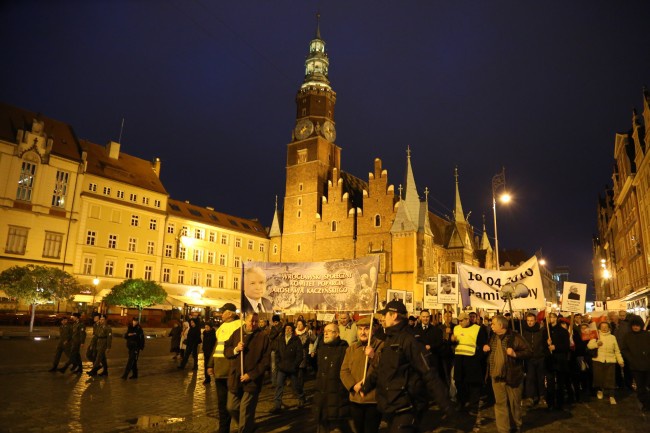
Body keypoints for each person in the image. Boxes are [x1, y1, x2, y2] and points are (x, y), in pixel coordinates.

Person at [362, 300, 457, 432]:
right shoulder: (390, 338)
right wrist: (367, 385)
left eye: (386, 314)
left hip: (406, 406)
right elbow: (383, 367)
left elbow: (428, 372)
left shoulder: (409, 340)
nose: (383, 318)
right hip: (391, 405)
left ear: (394, 316)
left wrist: (446, 405)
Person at [483, 315, 532, 433]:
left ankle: (516, 426)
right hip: (496, 376)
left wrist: (515, 354)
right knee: (500, 404)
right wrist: (486, 348)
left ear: (501, 325)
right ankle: (503, 429)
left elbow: (528, 351)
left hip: (512, 376)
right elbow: (492, 353)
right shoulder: (493, 337)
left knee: (514, 404)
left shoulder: (515, 337)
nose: (491, 326)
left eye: (493, 324)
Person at [224, 312, 271, 433]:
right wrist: (235, 349)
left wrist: (251, 375)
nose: (254, 324)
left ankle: (245, 428)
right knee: (231, 407)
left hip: (252, 381)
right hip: (236, 377)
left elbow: (265, 361)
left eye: (256, 321)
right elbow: (226, 351)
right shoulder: (237, 333)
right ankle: (247, 425)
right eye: (251, 321)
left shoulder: (262, 336)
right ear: (245, 320)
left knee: (245, 410)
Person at [340, 316, 384, 433]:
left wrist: (373, 356)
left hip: (373, 399)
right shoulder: (352, 349)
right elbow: (344, 371)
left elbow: (385, 368)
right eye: (360, 329)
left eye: (366, 328)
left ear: (373, 330)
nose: (363, 332)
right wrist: (353, 386)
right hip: (355, 398)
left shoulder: (381, 346)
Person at [207, 303, 242, 433]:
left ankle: (244, 424)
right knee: (222, 403)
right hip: (219, 370)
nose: (221, 314)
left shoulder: (239, 325)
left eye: (223, 312)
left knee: (233, 403)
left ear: (230, 313)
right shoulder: (221, 327)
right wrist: (210, 364)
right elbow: (217, 346)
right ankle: (223, 429)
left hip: (231, 369)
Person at [313, 323, 352, 433]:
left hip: (337, 398)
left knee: (336, 428)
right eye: (324, 331)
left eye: (329, 331)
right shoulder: (322, 348)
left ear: (337, 333)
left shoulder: (344, 349)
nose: (325, 333)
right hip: (321, 399)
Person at [451, 312, 487, 416]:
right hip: (459, 359)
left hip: (472, 360)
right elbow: (453, 343)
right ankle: (461, 402)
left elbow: (482, 344)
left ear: (467, 320)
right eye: (459, 320)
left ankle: (474, 407)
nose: (460, 322)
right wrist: (452, 340)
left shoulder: (477, 329)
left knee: (473, 384)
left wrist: (478, 358)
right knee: (459, 382)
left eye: (462, 320)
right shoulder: (456, 328)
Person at [588, 321, 624, 405]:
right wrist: (597, 344)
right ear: (599, 328)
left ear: (609, 328)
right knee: (599, 377)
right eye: (602, 327)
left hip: (610, 361)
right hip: (598, 360)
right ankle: (600, 390)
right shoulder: (596, 336)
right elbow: (589, 346)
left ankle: (611, 396)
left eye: (606, 327)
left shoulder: (612, 337)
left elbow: (617, 350)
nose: (604, 328)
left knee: (610, 379)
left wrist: (620, 361)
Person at [272, 323, 305, 412]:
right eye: (286, 328)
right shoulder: (280, 339)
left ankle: (301, 398)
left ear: (292, 330)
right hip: (282, 367)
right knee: (279, 385)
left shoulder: (296, 339)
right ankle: (277, 405)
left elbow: (299, 354)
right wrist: (278, 363)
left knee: (296, 386)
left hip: (292, 367)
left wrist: (295, 365)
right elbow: (277, 352)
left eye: (290, 328)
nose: (288, 330)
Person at [620, 315, 650, 412]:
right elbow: (624, 349)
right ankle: (645, 404)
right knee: (640, 387)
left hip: (648, 365)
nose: (635, 327)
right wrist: (631, 358)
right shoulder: (627, 336)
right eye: (634, 325)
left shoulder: (647, 335)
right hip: (636, 366)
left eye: (637, 325)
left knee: (648, 386)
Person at [542, 312, 570, 410]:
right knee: (550, 383)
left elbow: (566, 346)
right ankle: (550, 403)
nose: (551, 319)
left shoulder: (563, 331)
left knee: (560, 382)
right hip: (549, 360)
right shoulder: (545, 331)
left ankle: (560, 403)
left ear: (556, 318)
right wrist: (547, 343)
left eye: (553, 317)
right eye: (550, 317)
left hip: (560, 360)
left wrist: (556, 347)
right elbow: (542, 346)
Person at [521, 312, 546, 406]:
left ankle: (542, 397)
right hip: (529, 359)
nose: (530, 323)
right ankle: (530, 397)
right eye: (528, 321)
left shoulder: (541, 331)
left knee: (540, 378)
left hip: (540, 358)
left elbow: (544, 343)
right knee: (530, 378)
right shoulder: (524, 331)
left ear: (535, 321)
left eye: (531, 320)